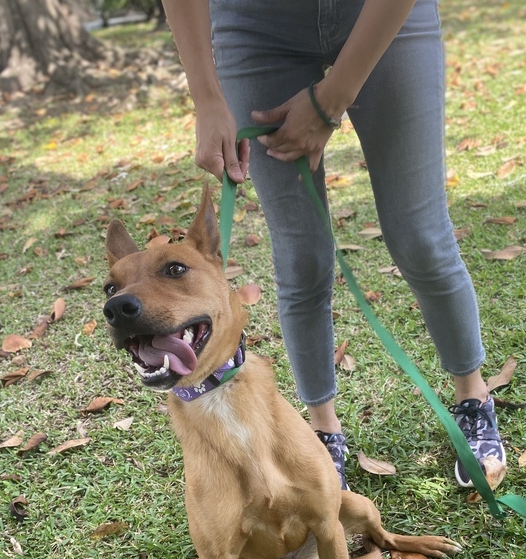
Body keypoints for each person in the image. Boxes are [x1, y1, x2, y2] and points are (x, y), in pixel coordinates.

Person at [161, 0, 505, 490]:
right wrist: (207, 96)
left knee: (420, 238)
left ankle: (473, 398)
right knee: (302, 258)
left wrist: (329, 102)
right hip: (253, 26)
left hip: (381, 12)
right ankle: (322, 432)